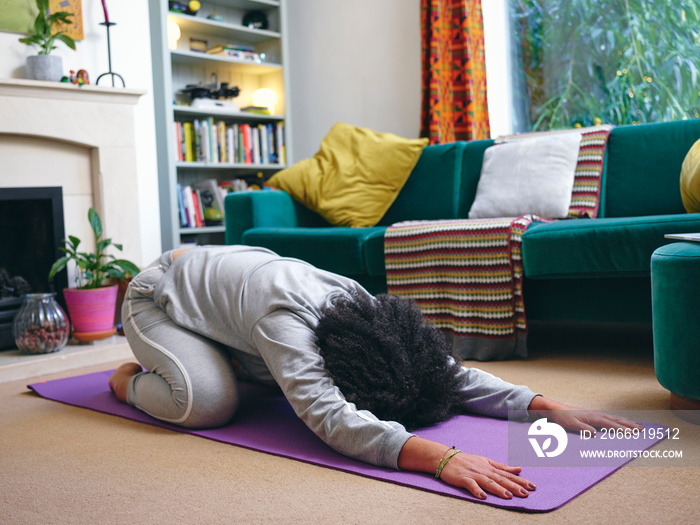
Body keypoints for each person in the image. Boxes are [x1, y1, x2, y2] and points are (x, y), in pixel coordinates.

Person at [109, 245, 641, 501]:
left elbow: (446, 372)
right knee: (206, 405)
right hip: (157, 295)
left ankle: (224, 354)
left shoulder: (361, 306)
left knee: (272, 380)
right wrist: (439, 457)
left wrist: (543, 406)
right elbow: (326, 413)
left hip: (233, 293)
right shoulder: (285, 324)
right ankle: (130, 377)